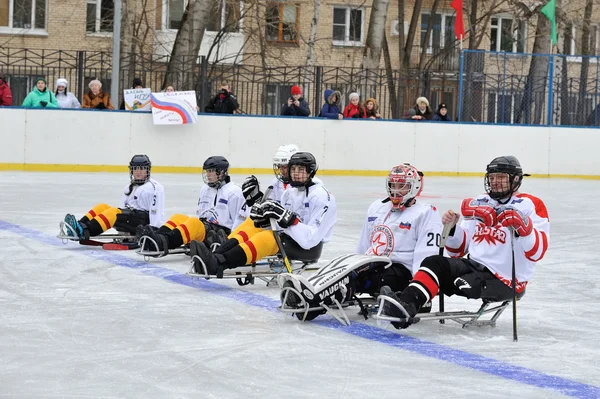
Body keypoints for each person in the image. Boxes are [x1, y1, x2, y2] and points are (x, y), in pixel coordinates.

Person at [379, 155, 550, 329]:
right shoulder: (481, 201)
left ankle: (406, 305)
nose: (495, 182)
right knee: (434, 263)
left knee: (463, 283)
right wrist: (452, 229)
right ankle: (406, 307)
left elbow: (538, 252)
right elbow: (459, 249)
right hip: (474, 266)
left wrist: (525, 227)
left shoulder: (531, 205)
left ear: (515, 179)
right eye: (492, 178)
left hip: (506, 279)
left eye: (501, 177)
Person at [280, 164, 442, 321]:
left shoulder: (425, 213)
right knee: (342, 268)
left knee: (352, 278)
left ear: (413, 187)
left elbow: (426, 256)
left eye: (402, 186)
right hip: (373, 264)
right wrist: (355, 262)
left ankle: (310, 301)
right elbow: (364, 243)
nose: (395, 190)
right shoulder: (377, 207)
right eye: (393, 185)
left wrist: (418, 293)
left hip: (400, 272)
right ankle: (308, 293)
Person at [189, 152, 336, 278]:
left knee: (267, 238)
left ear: (311, 171)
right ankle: (215, 256)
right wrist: (258, 204)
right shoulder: (290, 192)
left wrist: (286, 218)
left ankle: (219, 263)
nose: (296, 173)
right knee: (251, 223)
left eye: (301, 169)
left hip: (308, 248)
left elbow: (310, 239)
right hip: (289, 238)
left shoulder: (322, 197)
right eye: (293, 169)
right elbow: (277, 220)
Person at [136, 156, 244, 255]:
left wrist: (230, 243)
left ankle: (162, 243)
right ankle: (155, 238)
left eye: (211, 171)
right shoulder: (205, 189)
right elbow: (200, 213)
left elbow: (239, 223)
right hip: (205, 228)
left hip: (219, 234)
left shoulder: (234, 192)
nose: (208, 174)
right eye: (207, 171)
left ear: (222, 172)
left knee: (194, 223)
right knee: (178, 218)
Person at [63, 155, 165, 240]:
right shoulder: (129, 186)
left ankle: (84, 230)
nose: (138, 171)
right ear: (131, 171)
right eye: (135, 168)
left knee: (113, 212)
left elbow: (156, 212)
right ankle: (80, 224)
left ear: (148, 170)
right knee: (102, 207)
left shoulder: (154, 188)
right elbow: (123, 208)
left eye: (142, 168)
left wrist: (153, 232)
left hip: (143, 224)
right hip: (132, 218)